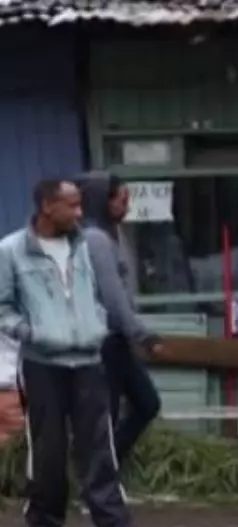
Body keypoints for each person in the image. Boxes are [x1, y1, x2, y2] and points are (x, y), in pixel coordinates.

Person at [0, 178, 145, 527]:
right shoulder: (12, 251)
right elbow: (2, 306)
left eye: (80, 204)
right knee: (48, 450)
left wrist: (96, 324)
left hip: (88, 360)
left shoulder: (87, 246)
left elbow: (104, 294)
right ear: (48, 206)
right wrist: (30, 332)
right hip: (41, 363)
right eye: (72, 205)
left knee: (99, 446)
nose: (80, 213)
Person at [78, 172, 163, 473]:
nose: (126, 207)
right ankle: (99, 485)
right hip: (105, 341)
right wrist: (141, 334)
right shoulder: (96, 239)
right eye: (121, 200)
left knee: (147, 403)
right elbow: (113, 298)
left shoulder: (111, 234)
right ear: (103, 200)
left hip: (118, 340)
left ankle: (106, 473)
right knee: (108, 416)